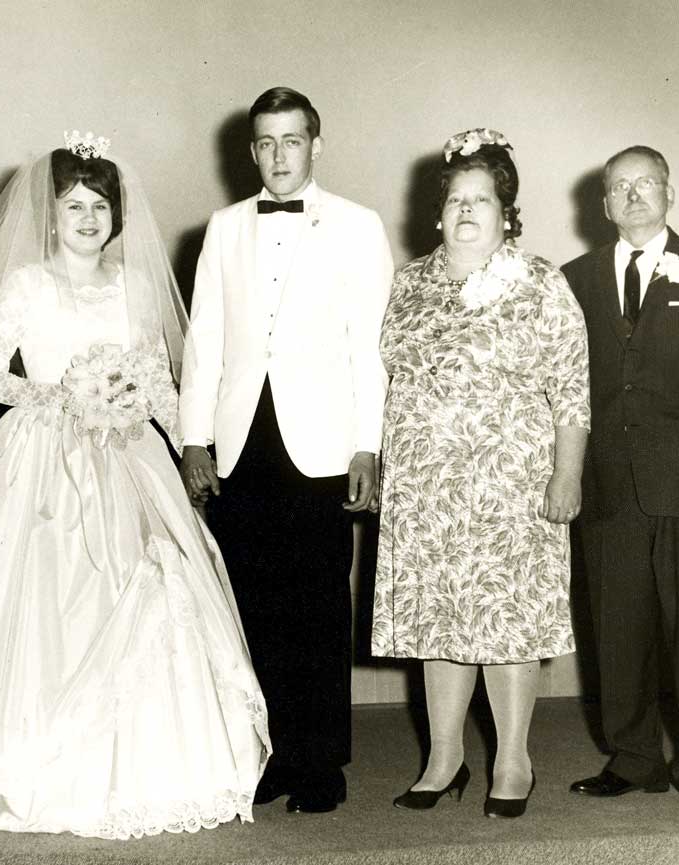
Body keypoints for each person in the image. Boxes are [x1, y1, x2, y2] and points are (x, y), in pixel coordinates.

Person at [0, 137, 270, 839]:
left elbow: (158, 379)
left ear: (117, 215)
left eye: (100, 206)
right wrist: (60, 395)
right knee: (49, 600)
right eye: (74, 206)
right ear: (51, 216)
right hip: (45, 456)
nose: (88, 218)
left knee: (155, 579)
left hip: (129, 452)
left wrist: (189, 443)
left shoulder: (135, 285)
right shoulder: (27, 284)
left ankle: (155, 766)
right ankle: (36, 756)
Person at [179, 87, 393, 814]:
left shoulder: (359, 225)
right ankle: (270, 753)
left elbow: (370, 346)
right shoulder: (223, 227)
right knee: (253, 602)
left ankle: (320, 761)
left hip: (323, 443)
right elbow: (205, 339)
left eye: (292, 140)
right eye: (266, 143)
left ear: (315, 145)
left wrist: (368, 445)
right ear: (251, 151)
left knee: (319, 605)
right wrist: (194, 437)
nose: (279, 155)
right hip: (242, 440)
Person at [372, 129, 590, 819]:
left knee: (506, 619)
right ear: (438, 212)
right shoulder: (407, 283)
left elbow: (572, 389)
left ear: (506, 213)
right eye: (455, 200)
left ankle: (513, 760)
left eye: (482, 199)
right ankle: (444, 758)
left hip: (510, 483)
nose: (467, 210)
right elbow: (380, 379)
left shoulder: (541, 282)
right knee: (437, 620)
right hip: (425, 485)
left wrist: (566, 476)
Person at [563, 146, 679, 820]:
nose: (634, 194)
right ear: (604, 203)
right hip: (607, 482)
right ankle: (633, 756)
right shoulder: (575, 277)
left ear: (669, 193)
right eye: (620, 186)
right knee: (617, 628)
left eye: (647, 182)